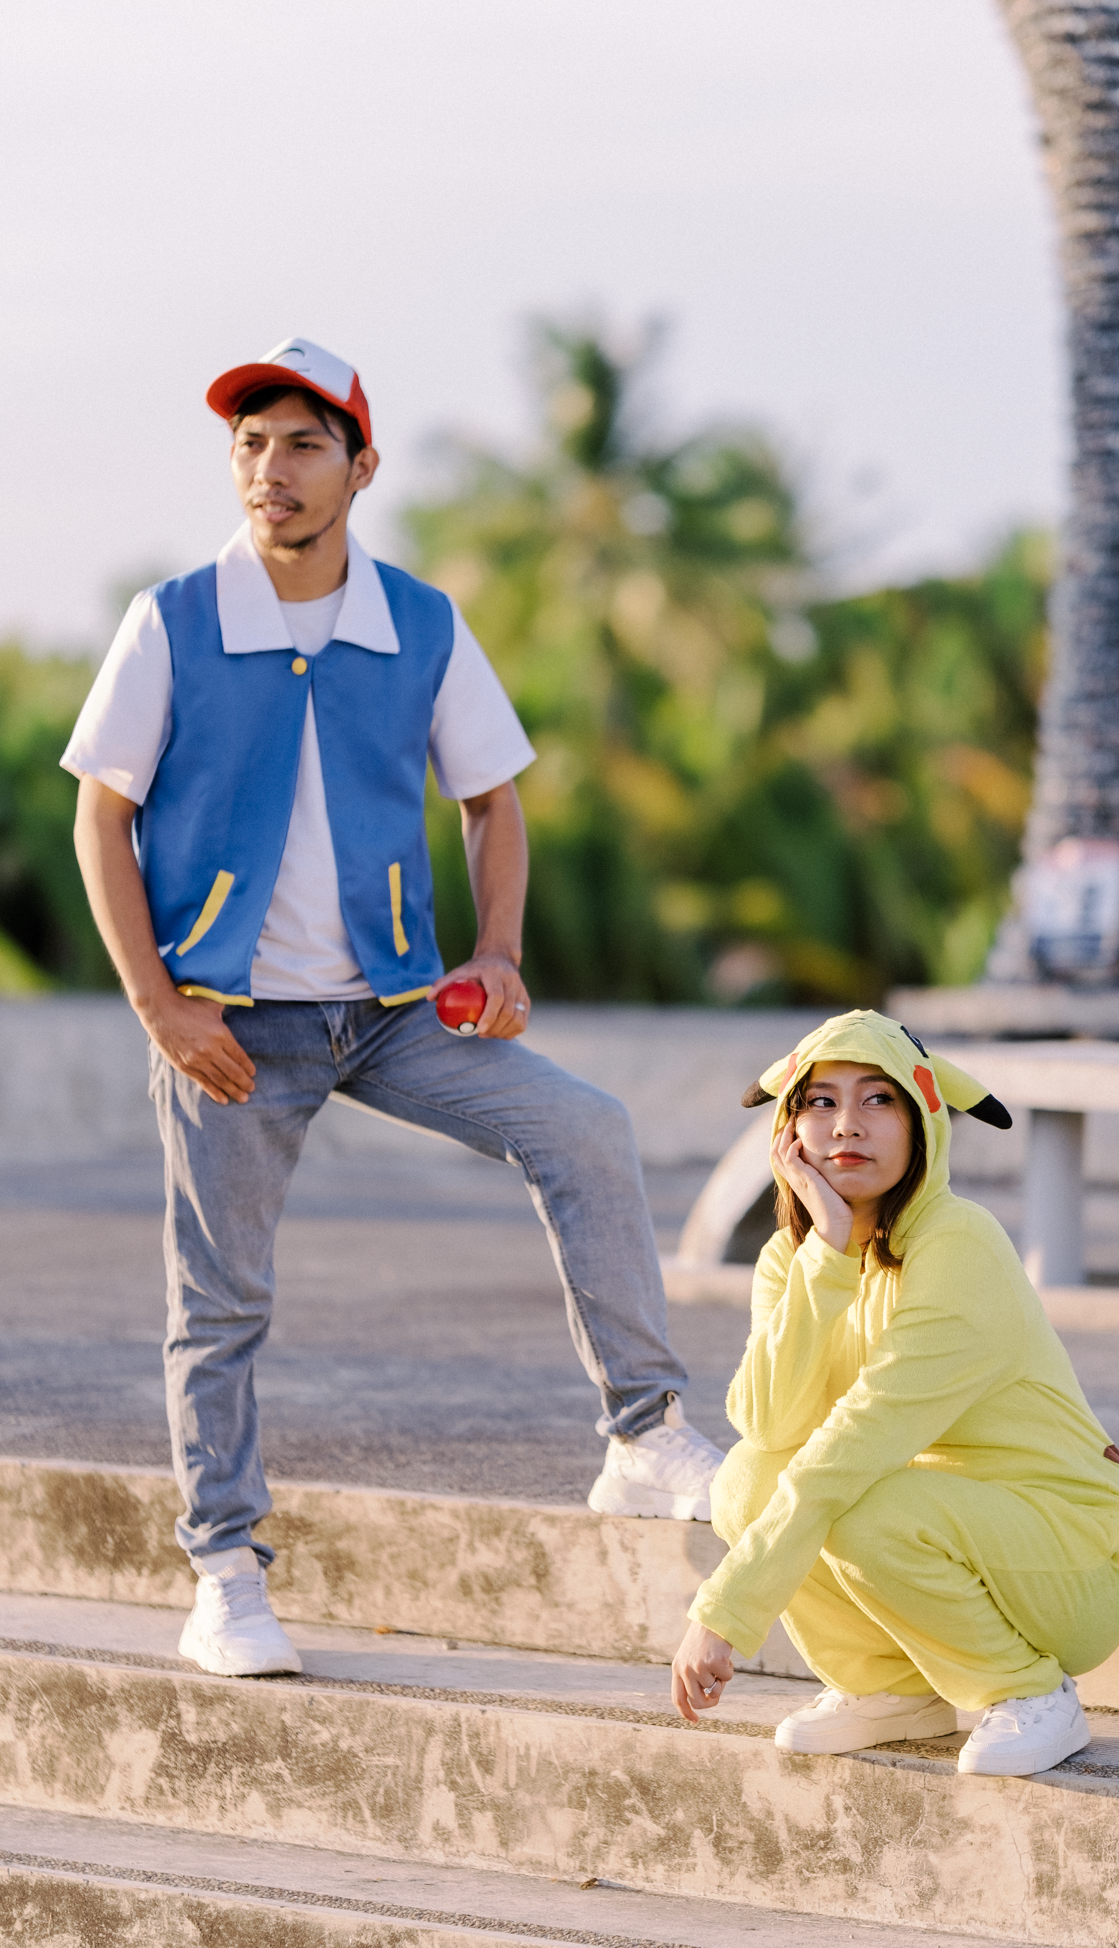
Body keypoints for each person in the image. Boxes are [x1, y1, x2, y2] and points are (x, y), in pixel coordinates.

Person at [63, 336, 723, 1679]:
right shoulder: (174, 619)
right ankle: (225, 1570)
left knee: (585, 1129)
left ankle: (645, 1433)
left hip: (391, 1007)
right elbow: (100, 817)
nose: (272, 468)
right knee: (219, 1302)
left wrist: (501, 951)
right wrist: (159, 1008)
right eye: (250, 444)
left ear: (361, 467)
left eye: (304, 444)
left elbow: (493, 800)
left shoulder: (418, 623)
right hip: (230, 1023)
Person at [670, 1010, 1119, 1778]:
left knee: (861, 1504)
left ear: (923, 1122)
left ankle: (1028, 1692)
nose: (845, 1125)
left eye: (878, 1099)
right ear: (788, 1131)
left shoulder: (959, 1243)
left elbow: (857, 1443)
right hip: (935, 1519)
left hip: (1073, 1546)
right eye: (819, 1102)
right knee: (743, 1482)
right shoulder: (792, 1256)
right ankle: (887, 1689)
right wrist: (826, 1251)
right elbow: (766, 1425)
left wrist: (723, 1609)